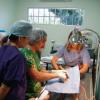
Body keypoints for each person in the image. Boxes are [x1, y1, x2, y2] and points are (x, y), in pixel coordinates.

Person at [19, 29, 67, 100]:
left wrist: (56, 71)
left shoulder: (37, 52)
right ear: (36, 40)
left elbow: (40, 70)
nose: (44, 45)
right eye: (43, 42)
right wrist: (57, 75)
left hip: (37, 90)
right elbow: (37, 76)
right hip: (27, 94)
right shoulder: (25, 53)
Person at [51, 28, 91, 100]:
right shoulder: (65, 48)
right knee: (62, 82)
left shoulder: (83, 50)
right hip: (66, 69)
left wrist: (74, 72)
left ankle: (75, 96)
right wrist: (58, 70)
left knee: (73, 83)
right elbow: (53, 60)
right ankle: (62, 95)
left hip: (78, 71)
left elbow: (85, 68)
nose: (73, 43)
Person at [0, 20, 33, 100]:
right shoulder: (17, 57)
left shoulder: (2, 49)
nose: (28, 41)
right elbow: (5, 87)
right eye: (28, 38)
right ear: (20, 38)